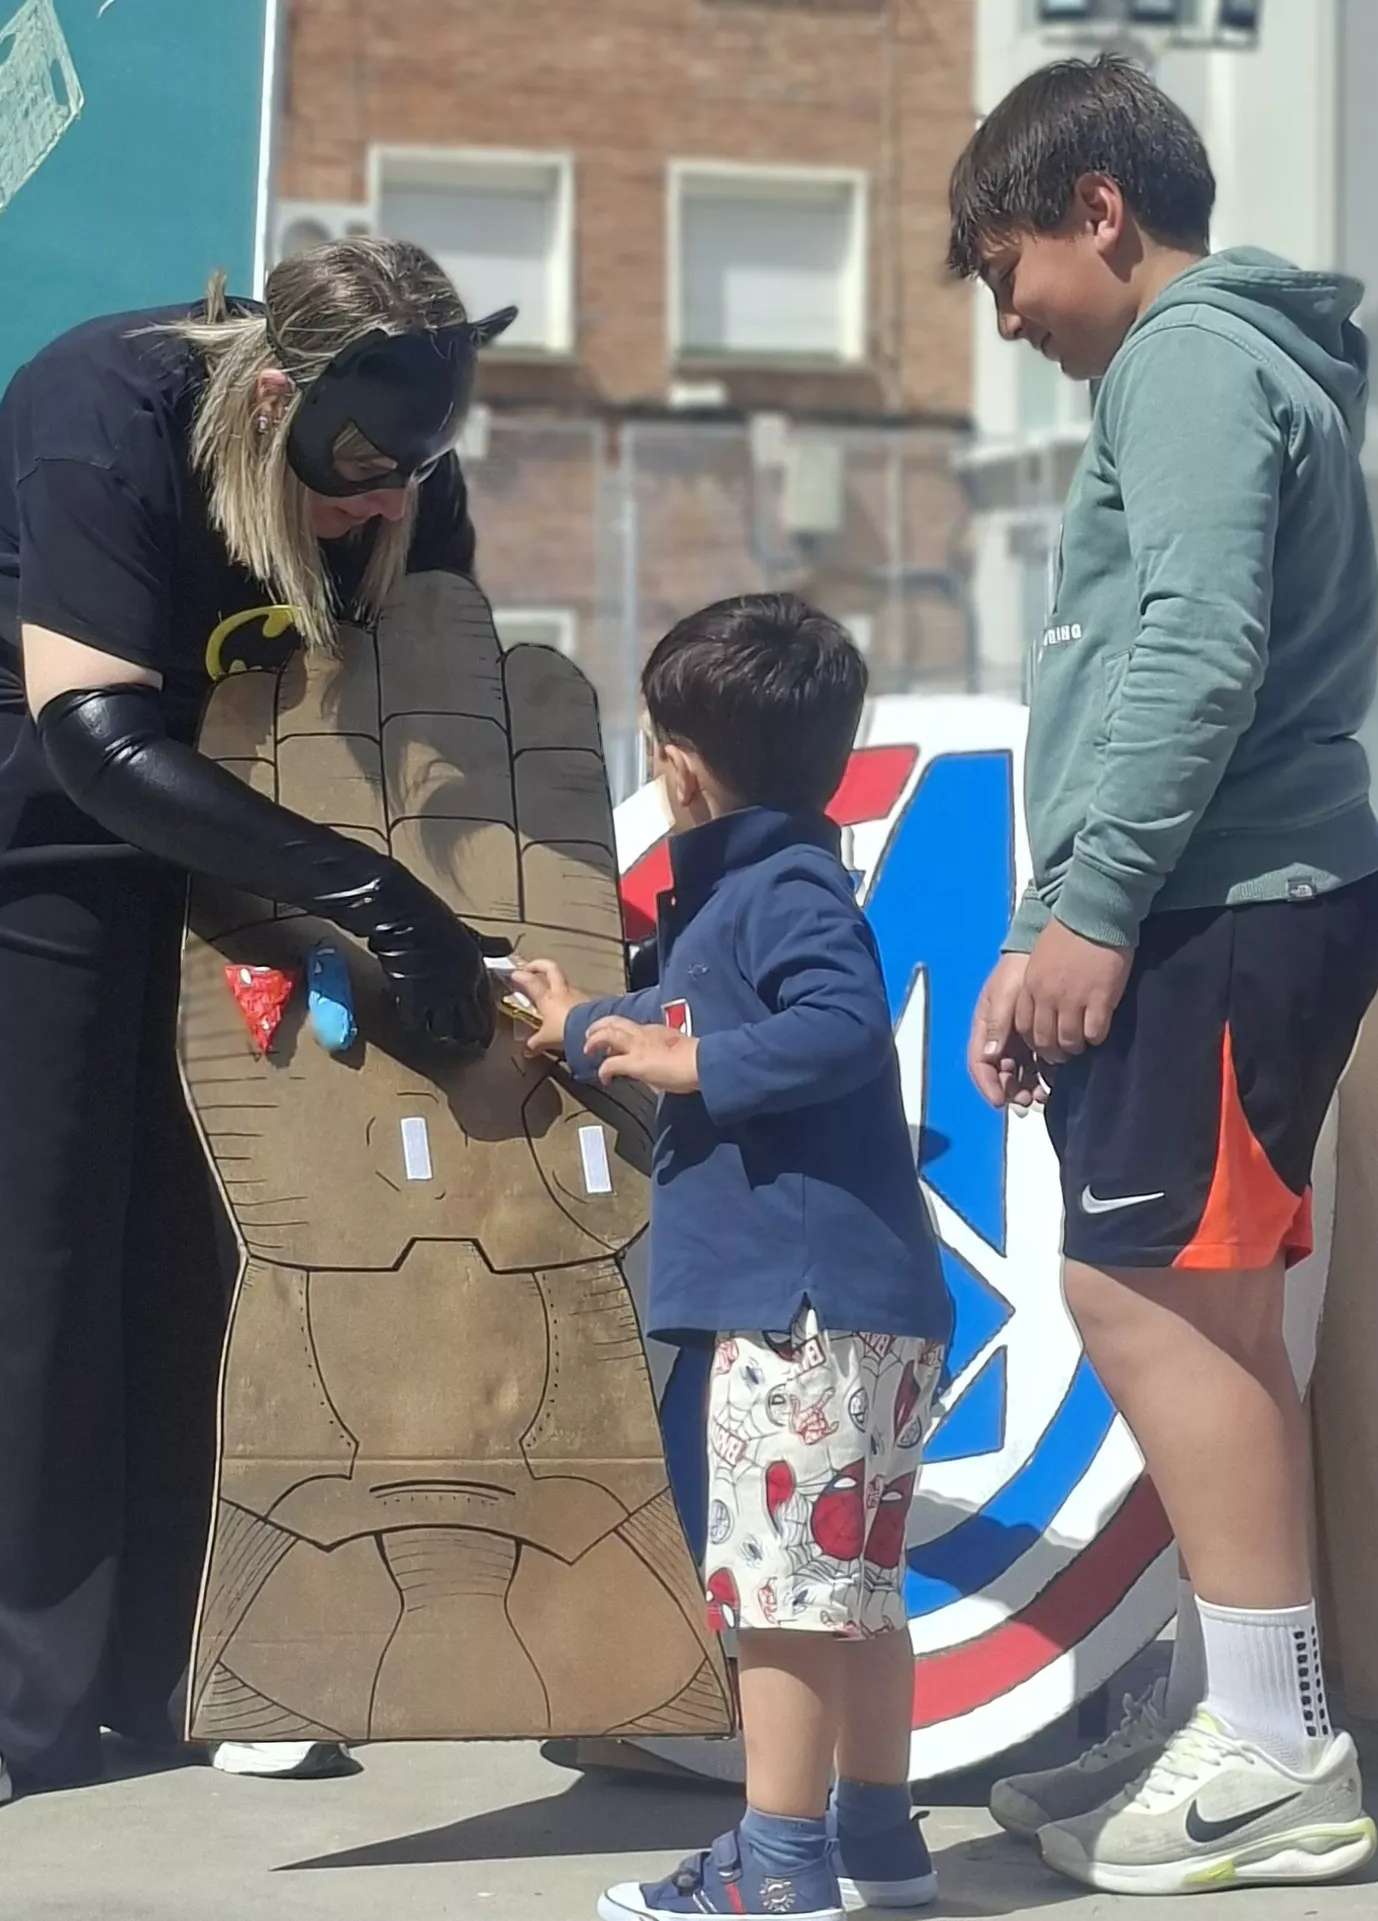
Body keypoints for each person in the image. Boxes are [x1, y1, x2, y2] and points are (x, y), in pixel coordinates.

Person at [0, 236, 514, 1812]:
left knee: (229, 1233)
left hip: (246, 818)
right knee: (31, 1236)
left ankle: (201, 1656)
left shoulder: (399, 470)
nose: (381, 501)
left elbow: (438, 698)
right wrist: (366, 900)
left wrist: (492, 910)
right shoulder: (104, 404)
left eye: (417, 466)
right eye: (356, 466)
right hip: (31, 819)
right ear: (276, 393)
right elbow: (92, 731)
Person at [948, 56, 1378, 1894]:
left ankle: (1277, 1745)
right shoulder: (1212, 361)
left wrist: (1098, 907)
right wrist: (1041, 916)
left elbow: (1199, 651)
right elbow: (1134, 668)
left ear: (1099, 213)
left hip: (1225, 901)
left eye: (1008, 273)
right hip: (1217, 896)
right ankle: (1246, 1701)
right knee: (1202, 1318)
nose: (1008, 322)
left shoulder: (1192, 360)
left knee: (1137, 1299)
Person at [513, 596, 954, 1921]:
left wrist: (688, 1062)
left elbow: (838, 1028)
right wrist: (593, 1022)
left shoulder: (782, 894)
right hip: (866, 1312)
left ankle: (777, 1868)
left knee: (782, 1607)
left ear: (677, 764)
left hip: (795, 1318)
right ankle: (876, 1841)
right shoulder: (763, 893)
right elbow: (682, 1013)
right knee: (856, 1597)